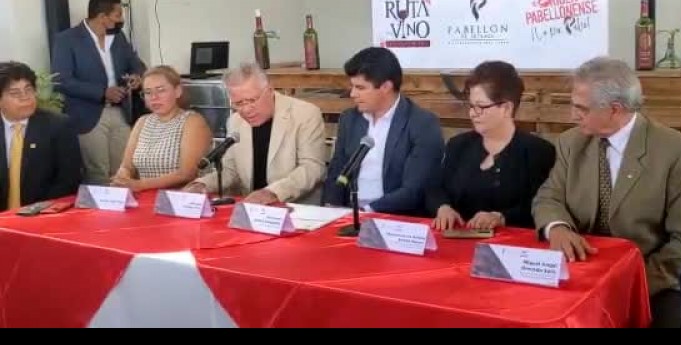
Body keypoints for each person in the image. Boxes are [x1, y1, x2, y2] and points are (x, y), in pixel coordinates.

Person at [532, 57, 681, 328]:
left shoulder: (679, 151)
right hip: (579, 272)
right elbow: (548, 197)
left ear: (615, 109)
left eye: (581, 108)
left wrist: (629, 283)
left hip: (650, 279)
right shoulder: (570, 142)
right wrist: (557, 228)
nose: (572, 116)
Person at [429, 61, 555, 231]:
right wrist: (442, 207)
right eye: (471, 106)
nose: (472, 114)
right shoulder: (458, 145)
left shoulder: (538, 152)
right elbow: (435, 188)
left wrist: (501, 217)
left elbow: (541, 206)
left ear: (507, 108)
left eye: (481, 107)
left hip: (510, 241)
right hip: (456, 238)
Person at [322, 47, 445, 215]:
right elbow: (336, 171)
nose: (352, 94)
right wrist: (330, 208)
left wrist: (365, 211)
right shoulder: (349, 119)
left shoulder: (422, 123)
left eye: (360, 88)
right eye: (352, 86)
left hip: (395, 216)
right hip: (348, 213)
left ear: (386, 86)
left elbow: (414, 189)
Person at [186, 62, 326, 205]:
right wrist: (202, 184)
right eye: (239, 103)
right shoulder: (235, 121)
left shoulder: (305, 114)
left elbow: (312, 168)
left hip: (294, 205)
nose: (246, 110)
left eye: (252, 100)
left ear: (270, 90)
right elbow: (230, 171)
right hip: (251, 207)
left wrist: (273, 192)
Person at [51, 0, 146, 185]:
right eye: (118, 15)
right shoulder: (67, 39)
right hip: (87, 114)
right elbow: (62, 80)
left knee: (124, 170)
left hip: (120, 112)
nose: (121, 20)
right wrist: (102, 92)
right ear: (103, 17)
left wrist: (137, 76)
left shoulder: (118, 37)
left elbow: (136, 64)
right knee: (98, 173)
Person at [110, 66, 212, 192]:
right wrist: (122, 178)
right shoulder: (142, 121)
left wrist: (140, 185)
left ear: (177, 91)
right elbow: (127, 166)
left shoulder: (192, 121)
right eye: (148, 92)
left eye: (161, 90)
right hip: (144, 196)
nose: (154, 97)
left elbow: (187, 173)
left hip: (181, 198)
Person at [0, 62, 82, 211]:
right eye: (15, 93)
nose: (25, 97)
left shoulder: (58, 126)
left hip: (43, 214)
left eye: (29, 90)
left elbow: (69, 180)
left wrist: (37, 211)